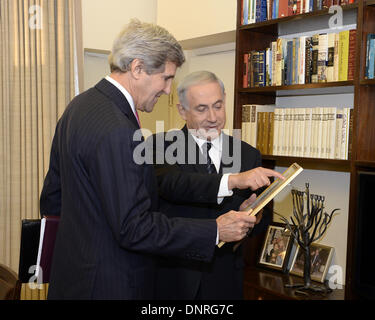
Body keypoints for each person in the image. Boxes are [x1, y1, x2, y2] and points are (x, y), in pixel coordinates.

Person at [39, 20, 257, 300]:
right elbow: (133, 228)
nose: (168, 90)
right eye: (166, 78)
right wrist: (214, 230)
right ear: (137, 68)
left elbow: (52, 200)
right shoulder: (118, 128)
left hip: (75, 278)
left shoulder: (79, 106)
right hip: (109, 284)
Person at [150, 71, 284, 300]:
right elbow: (174, 184)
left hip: (225, 280)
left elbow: (263, 222)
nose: (213, 117)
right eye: (201, 109)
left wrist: (252, 217)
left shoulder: (248, 155)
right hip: (174, 280)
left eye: (218, 106)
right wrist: (234, 180)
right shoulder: (160, 146)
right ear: (182, 111)